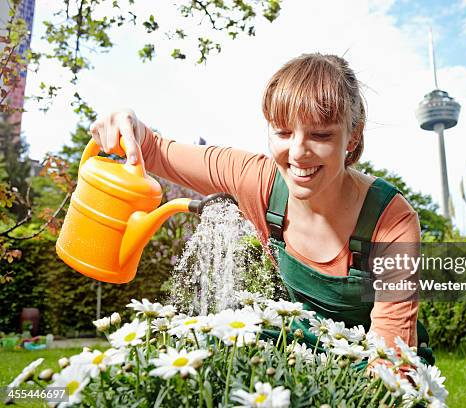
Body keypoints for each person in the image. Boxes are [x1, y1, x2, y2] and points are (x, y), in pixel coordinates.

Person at [89, 53, 432, 368]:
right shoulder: (259, 181)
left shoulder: (392, 220)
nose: (297, 153)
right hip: (299, 339)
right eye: (283, 132)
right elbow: (155, 150)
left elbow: (391, 351)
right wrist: (127, 125)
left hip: (375, 355)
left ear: (352, 137)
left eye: (321, 135)